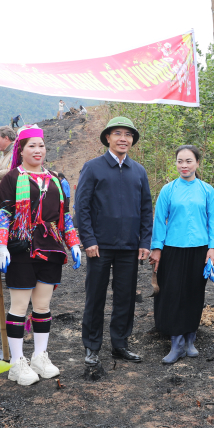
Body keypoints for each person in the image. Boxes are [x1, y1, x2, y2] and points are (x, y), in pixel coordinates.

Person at [0, 125, 82, 384]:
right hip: (21, 248)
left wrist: (73, 243)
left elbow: (64, 216)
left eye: (41, 145)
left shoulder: (56, 179)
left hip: (51, 247)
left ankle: (40, 356)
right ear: (20, 150)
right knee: (19, 307)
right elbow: (3, 213)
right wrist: (0, 245)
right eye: (31, 146)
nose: (37, 150)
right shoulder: (12, 178)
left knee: (42, 306)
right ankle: (17, 362)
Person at [75, 116, 153, 365]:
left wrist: (145, 242)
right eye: (118, 133)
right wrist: (88, 239)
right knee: (95, 296)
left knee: (125, 297)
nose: (123, 139)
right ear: (108, 137)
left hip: (129, 245)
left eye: (128, 135)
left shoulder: (138, 170)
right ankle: (91, 346)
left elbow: (146, 209)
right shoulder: (93, 167)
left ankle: (120, 344)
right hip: (99, 245)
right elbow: (81, 206)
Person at [149, 145, 214, 364]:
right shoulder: (168, 190)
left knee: (194, 293)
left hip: (200, 249)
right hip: (173, 249)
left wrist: (213, 247)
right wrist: (157, 248)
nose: (184, 165)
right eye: (180, 161)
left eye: (189, 161)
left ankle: (190, 339)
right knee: (172, 294)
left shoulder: (207, 190)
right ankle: (176, 342)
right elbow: (159, 220)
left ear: (197, 163)